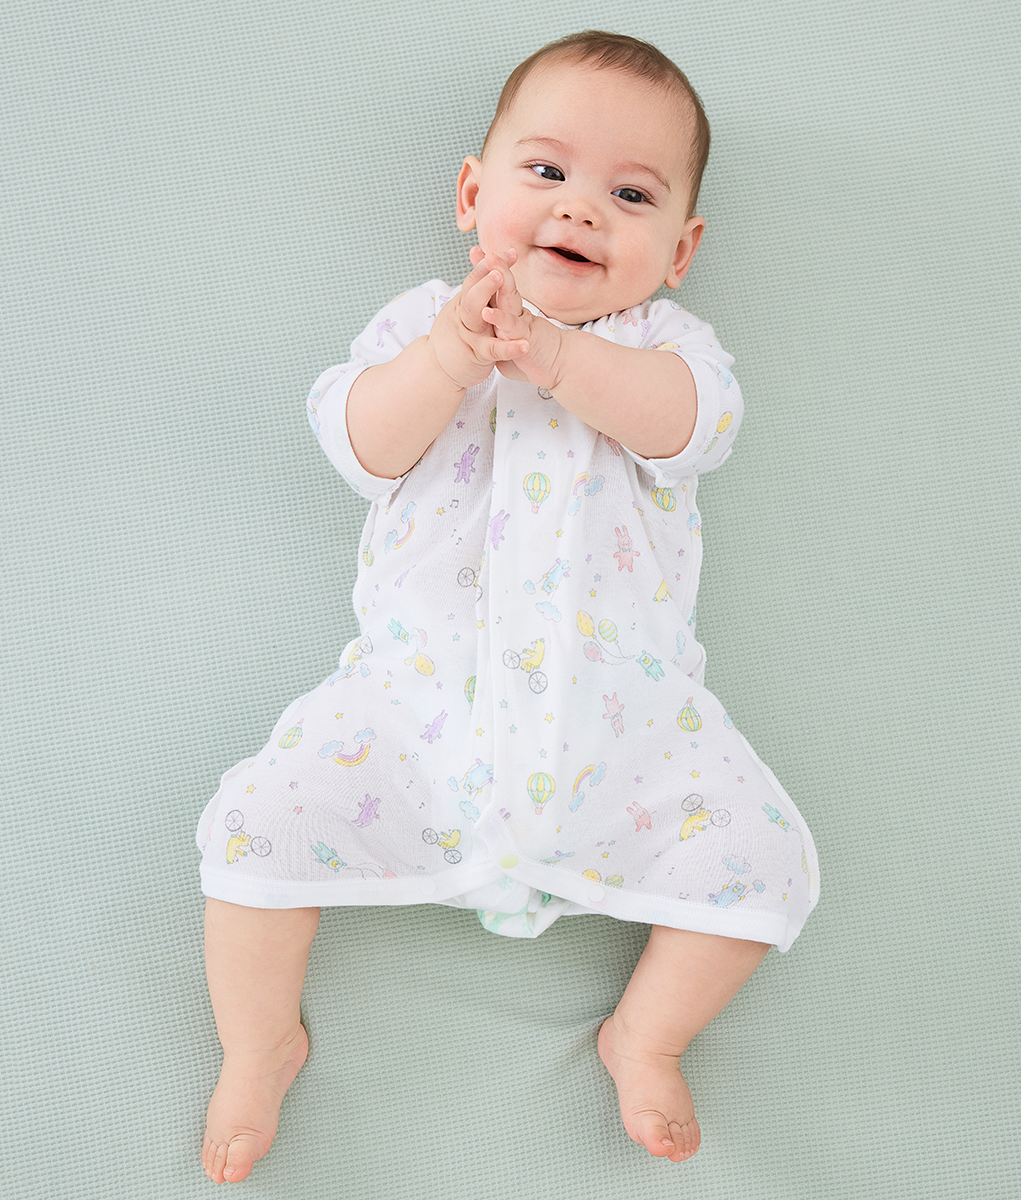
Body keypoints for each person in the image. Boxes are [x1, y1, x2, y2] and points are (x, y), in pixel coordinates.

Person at [198, 29, 819, 1184]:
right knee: (249, 829)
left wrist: (556, 358)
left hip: (625, 732)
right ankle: (259, 1042)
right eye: (547, 172)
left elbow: (694, 426)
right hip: (410, 714)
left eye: (631, 195)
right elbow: (359, 444)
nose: (580, 209)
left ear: (680, 249)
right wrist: (451, 359)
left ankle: (646, 1037)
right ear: (472, 195)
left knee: (765, 862)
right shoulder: (419, 326)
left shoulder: (667, 347)